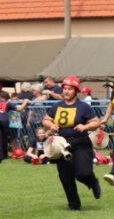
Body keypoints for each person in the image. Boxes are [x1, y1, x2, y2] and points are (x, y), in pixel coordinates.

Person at [43, 75, 103, 210]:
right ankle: (74, 204)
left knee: (83, 173)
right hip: (62, 145)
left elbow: (96, 122)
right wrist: (51, 125)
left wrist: (85, 127)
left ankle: (93, 183)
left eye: (70, 89)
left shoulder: (83, 107)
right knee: (65, 176)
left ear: (76, 91)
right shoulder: (57, 106)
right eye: (64, 88)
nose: (66, 91)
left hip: (81, 143)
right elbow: (46, 119)